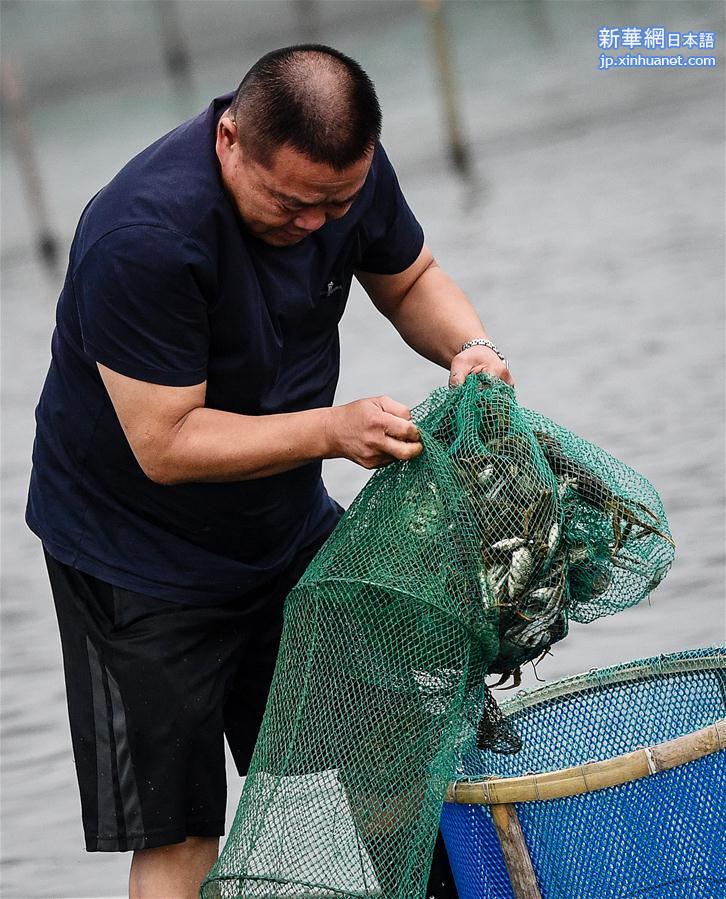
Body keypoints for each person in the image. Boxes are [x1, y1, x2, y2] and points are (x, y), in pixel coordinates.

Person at [27, 44, 512, 898]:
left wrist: (469, 347)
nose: (318, 225)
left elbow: (411, 279)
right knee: (181, 830)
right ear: (229, 140)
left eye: (338, 203)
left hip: (284, 528)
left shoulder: (338, 173)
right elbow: (165, 442)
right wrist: (332, 429)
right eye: (291, 204)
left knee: (394, 756)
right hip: (136, 562)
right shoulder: (144, 236)